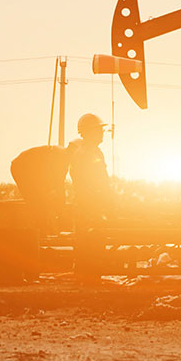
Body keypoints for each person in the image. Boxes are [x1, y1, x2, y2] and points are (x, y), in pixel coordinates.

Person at [68, 113, 111, 278]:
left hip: (91, 204)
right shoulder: (86, 153)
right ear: (89, 132)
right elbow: (94, 181)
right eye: (99, 130)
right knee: (89, 240)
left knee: (91, 239)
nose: (102, 134)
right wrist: (104, 198)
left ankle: (89, 274)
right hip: (88, 205)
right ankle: (87, 275)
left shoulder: (94, 152)